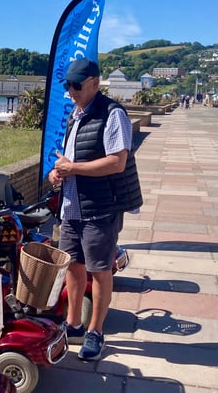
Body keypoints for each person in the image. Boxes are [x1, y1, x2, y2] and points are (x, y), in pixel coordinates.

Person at [48, 58, 142, 361]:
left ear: (94, 83)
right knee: (73, 268)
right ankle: (73, 323)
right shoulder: (75, 116)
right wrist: (57, 173)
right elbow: (70, 160)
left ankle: (95, 331)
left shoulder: (113, 114)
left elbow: (118, 161)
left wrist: (73, 167)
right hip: (72, 206)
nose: (71, 90)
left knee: (100, 271)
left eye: (77, 85)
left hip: (100, 209)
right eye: (68, 85)